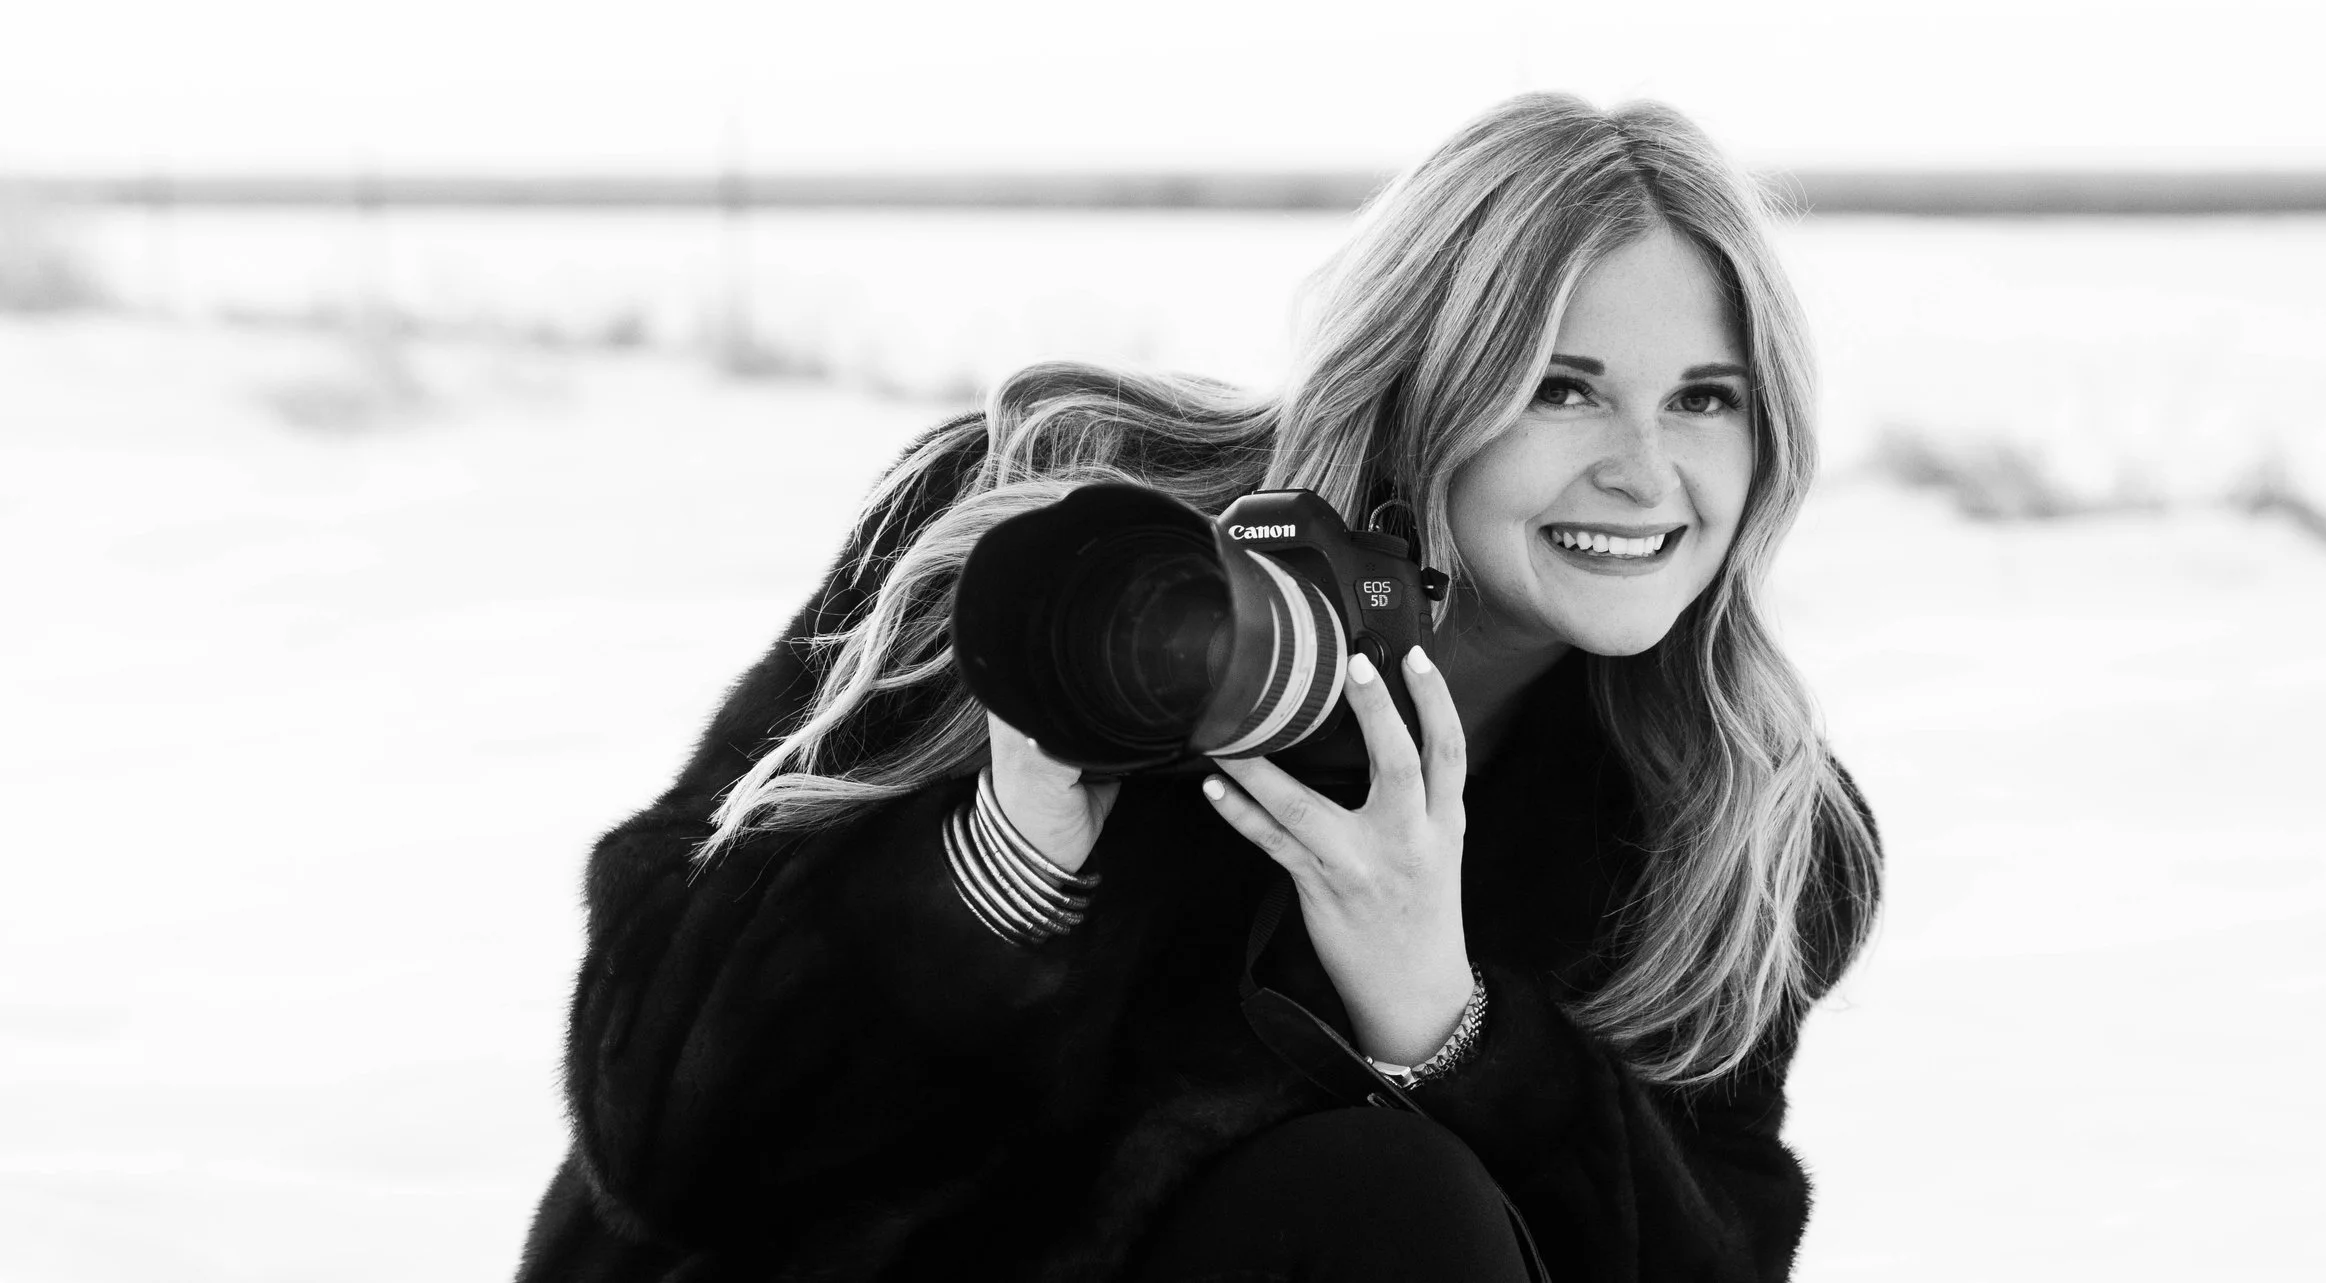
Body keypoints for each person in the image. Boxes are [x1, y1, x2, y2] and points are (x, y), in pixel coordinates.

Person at [513, 93, 1885, 1283]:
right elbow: (660, 1128)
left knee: (1385, 1198)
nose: (1646, 475)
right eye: (1562, 389)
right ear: (1426, 385)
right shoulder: (1075, 543)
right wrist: (998, 870)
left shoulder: (1736, 814)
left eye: (1706, 398)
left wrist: (1446, 1023)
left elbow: (1699, 1254)